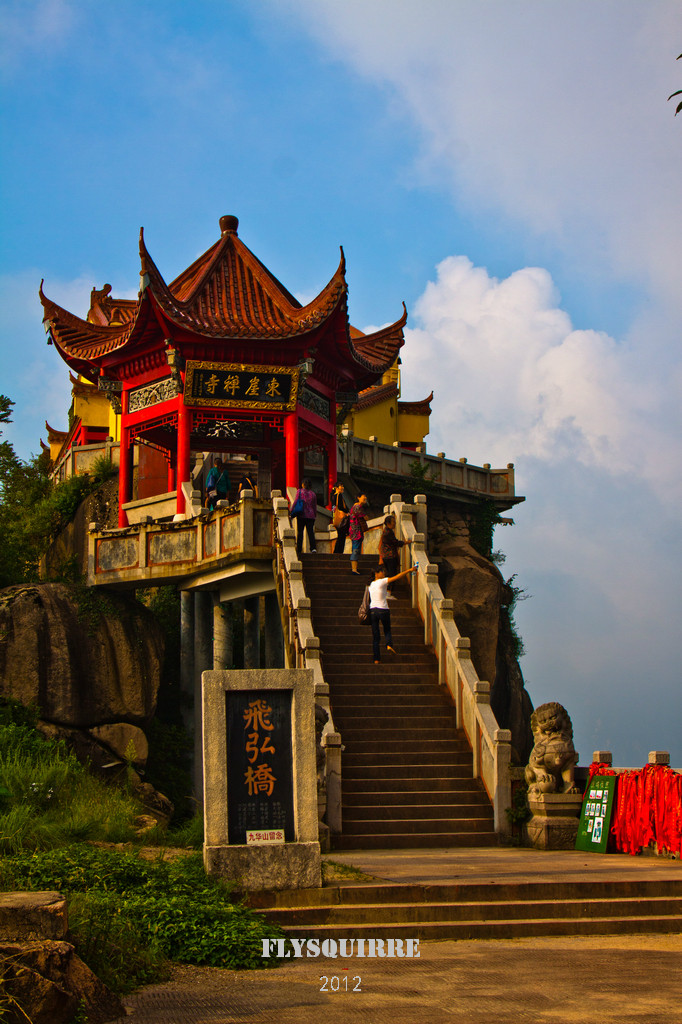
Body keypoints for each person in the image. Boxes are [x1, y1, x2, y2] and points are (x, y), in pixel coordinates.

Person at [369, 565, 418, 663]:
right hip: (383, 609)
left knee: (376, 636)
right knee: (387, 630)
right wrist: (409, 570)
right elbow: (397, 577)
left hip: (373, 611)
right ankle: (389, 645)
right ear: (376, 574)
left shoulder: (370, 584)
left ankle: (376, 659)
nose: (383, 572)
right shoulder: (382, 581)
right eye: (381, 571)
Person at [379, 514, 405, 598]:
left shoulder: (386, 531)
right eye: (393, 522)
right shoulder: (388, 532)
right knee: (392, 575)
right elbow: (395, 542)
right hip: (390, 556)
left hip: (386, 556)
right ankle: (388, 593)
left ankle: (387, 592)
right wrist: (405, 542)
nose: (394, 523)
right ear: (388, 523)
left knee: (390, 573)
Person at [294, 478, 317, 556]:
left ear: (303, 484)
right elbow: (314, 506)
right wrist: (315, 515)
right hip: (311, 516)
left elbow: (296, 501)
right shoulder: (313, 494)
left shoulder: (299, 491)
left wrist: (291, 511)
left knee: (300, 532)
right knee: (310, 533)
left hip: (301, 515)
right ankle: (313, 548)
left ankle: (299, 548)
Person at [348, 494, 369, 574]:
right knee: (356, 549)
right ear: (358, 497)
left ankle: (354, 569)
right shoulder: (358, 507)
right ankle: (354, 569)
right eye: (364, 496)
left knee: (355, 548)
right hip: (357, 532)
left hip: (353, 531)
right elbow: (366, 517)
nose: (365, 498)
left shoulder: (353, 507)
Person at [331, 482, 350, 554]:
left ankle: (336, 551)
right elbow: (340, 506)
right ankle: (338, 552)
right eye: (341, 486)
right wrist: (348, 511)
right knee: (342, 536)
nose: (342, 487)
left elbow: (334, 508)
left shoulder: (333, 496)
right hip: (341, 518)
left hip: (336, 518)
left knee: (340, 535)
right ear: (336, 488)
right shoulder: (339, 495)